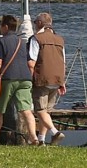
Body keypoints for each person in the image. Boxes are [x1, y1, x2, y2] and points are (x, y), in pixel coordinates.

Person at [0, 13, 39, 145]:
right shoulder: (22, 42)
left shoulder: (1, 41)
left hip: (8, 78)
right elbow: (28, 61)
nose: (0, 28)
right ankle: (34, 138)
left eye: (1, 25)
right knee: (26, 110)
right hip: (25, 78)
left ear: (6, 27)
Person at [30, 12, 67, 145]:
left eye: (35, 22)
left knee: (39, 110)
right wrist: (62, 82)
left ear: (40, 23)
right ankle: (41, 140)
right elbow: (63, 61)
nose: (34, 25)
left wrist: (30, 80)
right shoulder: (60, 40)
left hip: (42, 79)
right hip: (57, 79)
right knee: (46, 112)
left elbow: (31, 62)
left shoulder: (36, 38)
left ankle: (55, 132)